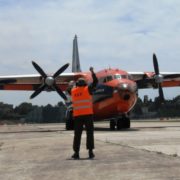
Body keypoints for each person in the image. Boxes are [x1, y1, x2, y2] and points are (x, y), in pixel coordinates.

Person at [71, 67, 98, 159]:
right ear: (85, 83)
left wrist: (72, 84)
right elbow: (95, 81)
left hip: (78, 116)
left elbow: (69, 88)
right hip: (88, 115)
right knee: (90, 133)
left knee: (77, 135)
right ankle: (90, 152)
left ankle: (76, 153)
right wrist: (92, 72)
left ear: (77, 84)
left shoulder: (73, 91)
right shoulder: (88, 89)